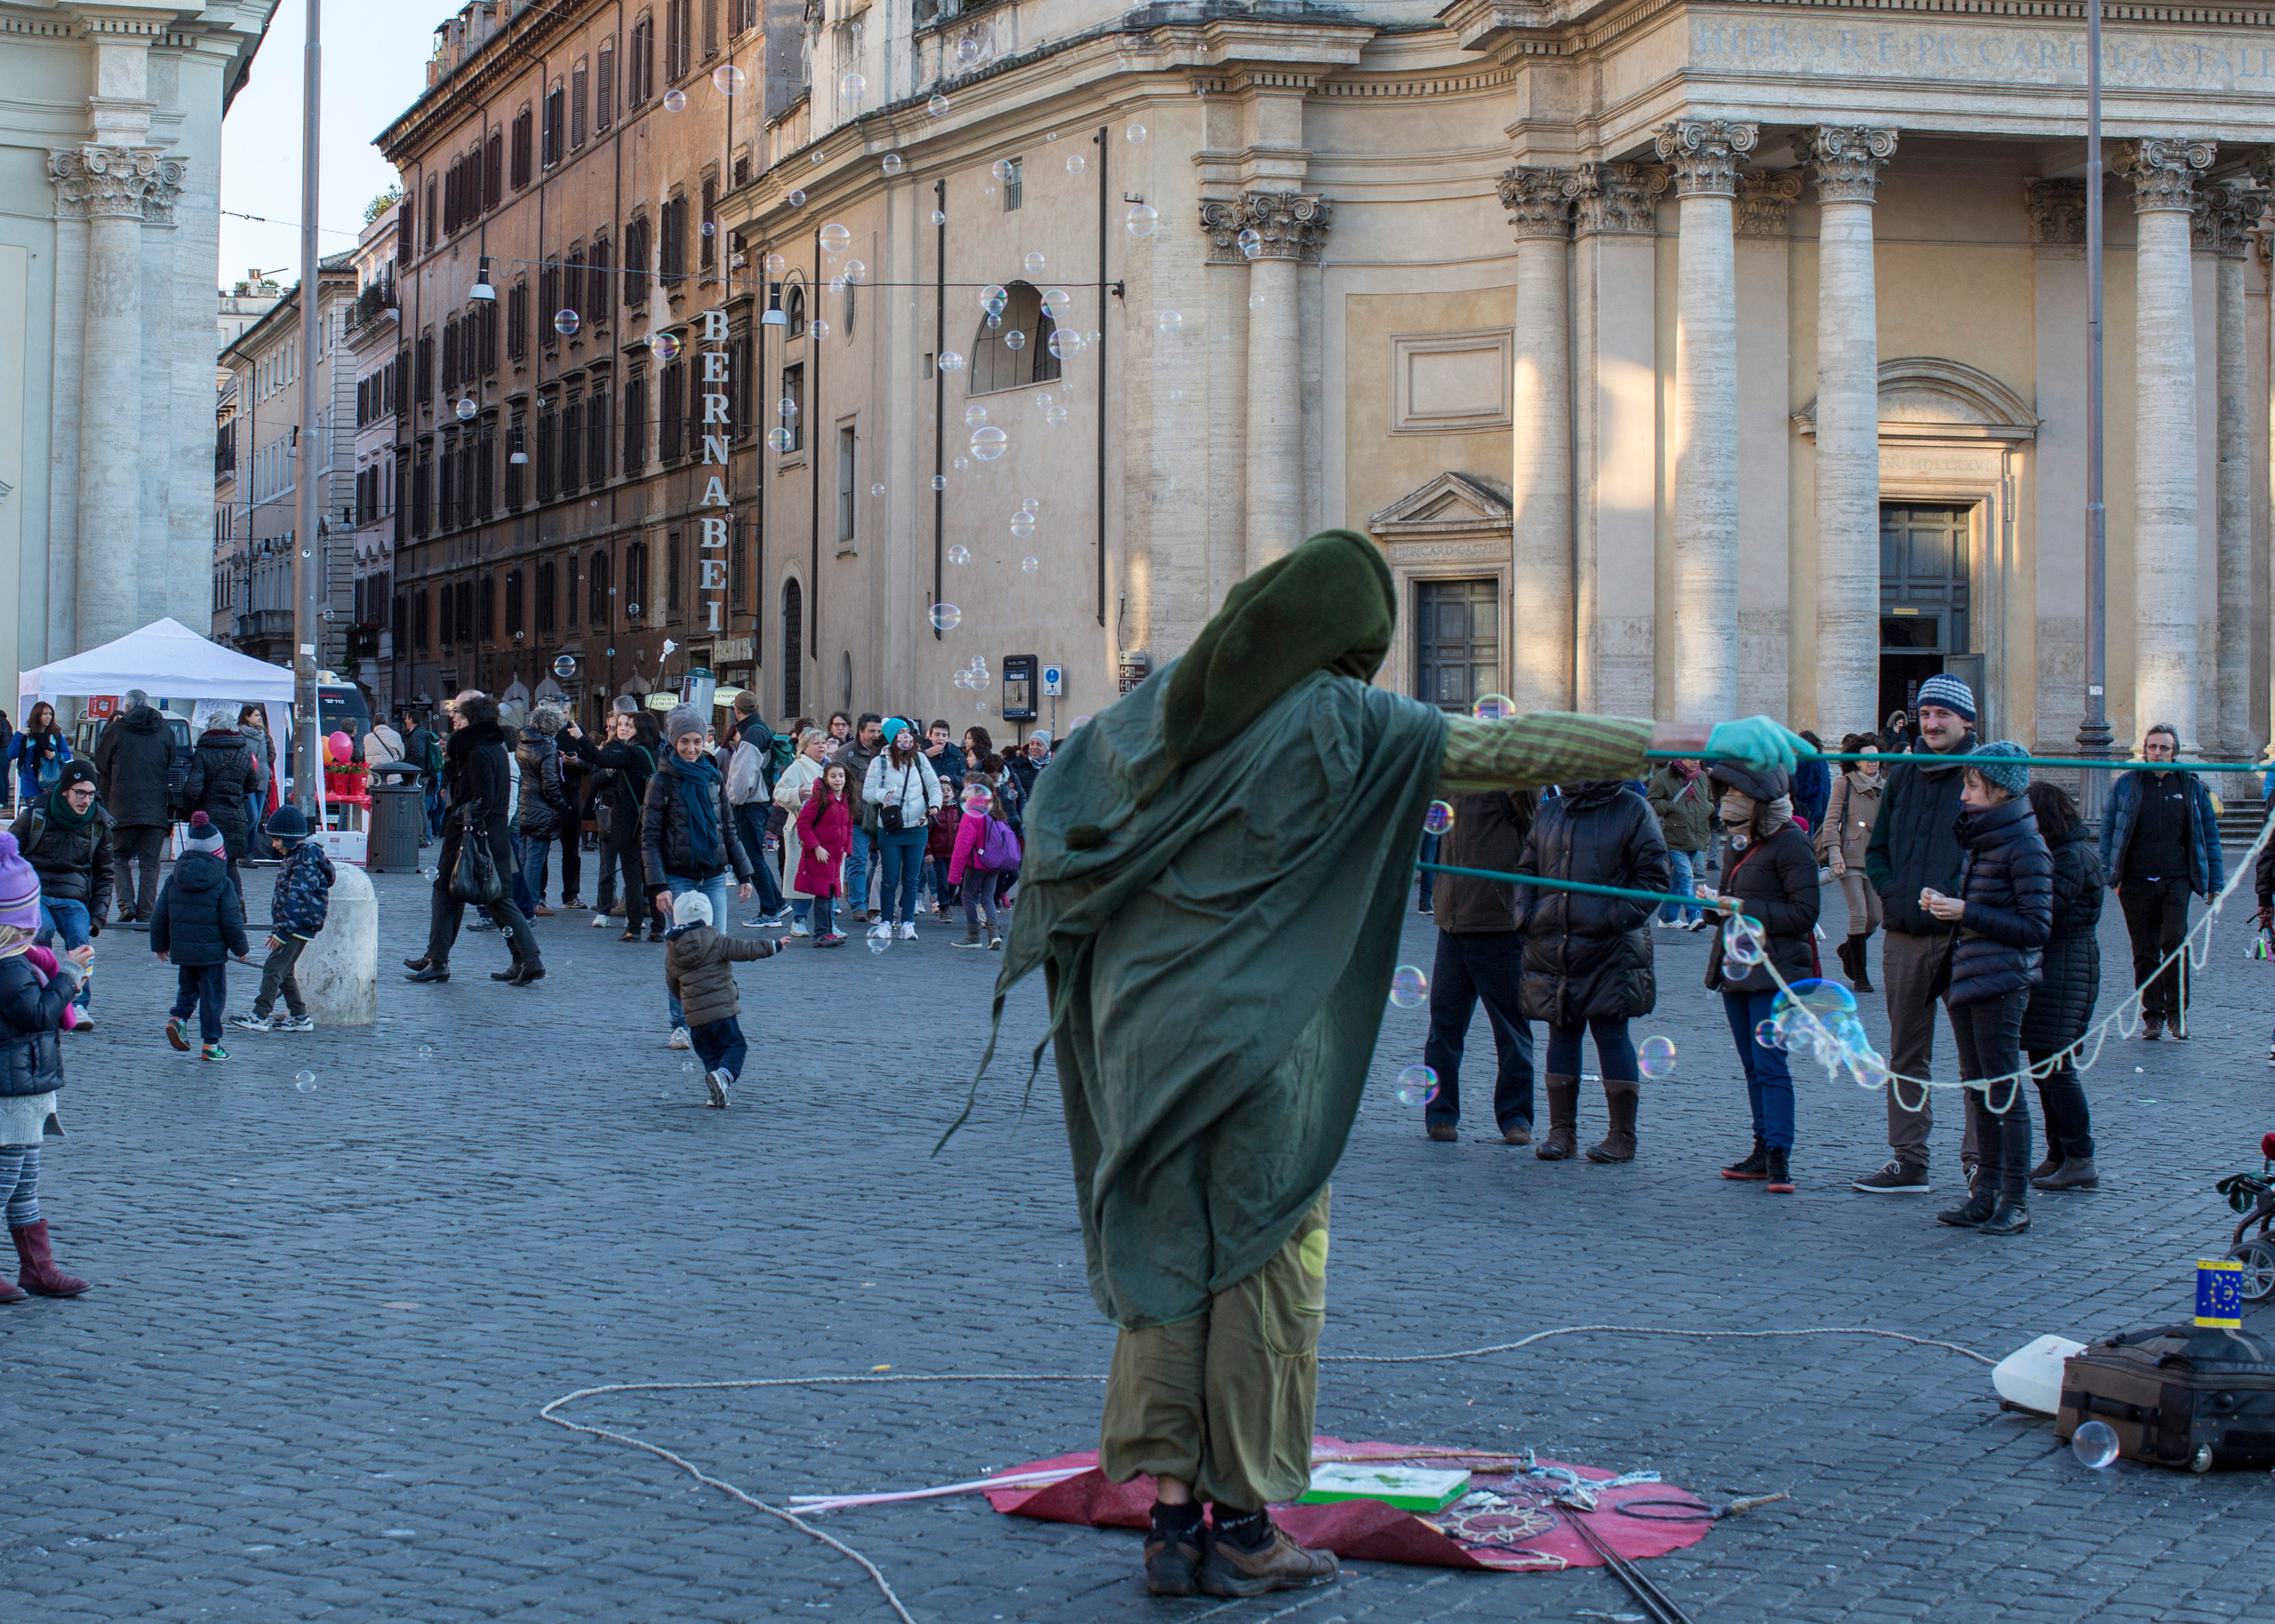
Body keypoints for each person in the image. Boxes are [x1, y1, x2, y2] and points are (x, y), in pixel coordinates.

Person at [969, 529, 1807, 1599]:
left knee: (1167, 1260)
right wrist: (1690, 735)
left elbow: (1053, 815)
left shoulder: (1163, 703)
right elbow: (1509, 750)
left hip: (1141, 1032)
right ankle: (1242, 1523)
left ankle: (1169, 1525)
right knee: (1264, 1268)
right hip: (1256, 1044)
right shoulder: (1339, 714)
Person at [1852, 673, 1977, 1195]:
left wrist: (1957, 895)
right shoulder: (1902, 772)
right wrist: (1893, 890)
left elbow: (1991, 850)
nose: (1931, 723)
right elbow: (1877, 847)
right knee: (1905, 1053)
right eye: (1925, 714)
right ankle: (1910, 1159)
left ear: (1966, 721)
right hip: (1905, 933)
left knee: (1978, 1057)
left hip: (1965, 936)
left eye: (1942, 714)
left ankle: (1980, 1161)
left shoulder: (1981, 772)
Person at [1922, 743, 2051, 1235]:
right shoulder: (1987, 837)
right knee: (1979, 1092)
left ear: (1998, 791)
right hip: (1968, 975)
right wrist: (1950, 903)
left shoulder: (2025, 844)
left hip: (2000, 982)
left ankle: (2014, 1201)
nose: (1963, 794)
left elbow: (2036, 927)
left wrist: (1965, 912)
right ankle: (1985, 1195)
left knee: (2002, 1093)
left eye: (1972, 786)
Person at [1514, 778, 1669, 1163]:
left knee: (1611, 1032)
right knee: (1561, 1029)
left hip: (1610, 947)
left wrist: (1611, 919)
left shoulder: (1632, 808)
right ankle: (1560, 1132)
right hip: (1555, 943)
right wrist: (1527, 917)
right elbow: (1527, 868)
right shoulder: (1552, 809)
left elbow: (1653, 877)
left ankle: (1622, 1136)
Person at [1703, 763, 1818, 1194]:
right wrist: (1713, 906)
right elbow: (1729, 901)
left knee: (1771, 1066)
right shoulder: (1739, 840)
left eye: (1735, 792)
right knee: (1752, 1066)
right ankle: (1759, 1146)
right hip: (1737, 968)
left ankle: (1778, 1156)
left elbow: (1805, 914)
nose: (1726, 800)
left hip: (1774, 972)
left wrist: (1743, 906)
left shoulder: (1792, 843)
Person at [0, 831, 94, 1302]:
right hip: (10, 1094)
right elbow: (37, 1013)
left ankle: (39, 1268)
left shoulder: (22, 960)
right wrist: (71, 976)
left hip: (27, 1088)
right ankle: (37, 1269)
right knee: (6, 1183)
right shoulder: (9, 970)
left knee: (24, 1188)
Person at [1420, 788, 1539, 1145]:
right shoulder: (1451, 776)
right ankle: (1440, 1114)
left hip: (1498, 923)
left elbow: (1532, 809)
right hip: (1451, 922)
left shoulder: (1512, 776)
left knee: (1511, 1029)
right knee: (1444, 1027)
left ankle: (1516, 1117)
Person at [403, 692, 545, 986]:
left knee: (450, 894)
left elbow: (484, 798)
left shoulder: (480, 751)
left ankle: (441, 960)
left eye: (462, 717)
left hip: (472, 837)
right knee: (491, 899)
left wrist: (462, 815)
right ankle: (524, 960)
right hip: (487, 836)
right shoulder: (488, 746)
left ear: (473, 721)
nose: (456, 721)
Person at [2098, 722, 2223, 1039]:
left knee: (2175, 942)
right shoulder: (2127, 784)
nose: (2157, 753)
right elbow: (2109, 829)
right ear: (2145, 750)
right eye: (2152, 747)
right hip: (2136, 881)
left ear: (2174, 752)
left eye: (2164, 748)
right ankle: (2151, 1016)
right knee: (2144, 951)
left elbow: (2209, 836)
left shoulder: (2192, 786)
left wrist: (2215, 883)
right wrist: (2109, 874)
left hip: (2177, 879)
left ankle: (2177, 1014)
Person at [643, 705, 754, 1046]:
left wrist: (745, 872)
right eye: (684, 742)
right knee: (684, 953)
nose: (691, 749)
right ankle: (679, 1023)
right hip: (678, 876)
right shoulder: (661, 780)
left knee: (715, 952)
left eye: (697, 741)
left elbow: (728, 830)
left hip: (714, 875)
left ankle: (713, 1023)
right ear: (673, 742)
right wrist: (659, 886)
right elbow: (649, 837)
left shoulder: (713, 775)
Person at [2020, 782, 2101, 1192]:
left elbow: (2046, 910)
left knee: (2057, 1067)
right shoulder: (2065, 852)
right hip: (2057, 964)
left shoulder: (2071, 857)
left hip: (2067, 965)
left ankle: (2080, 1157)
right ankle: (2058, 1154)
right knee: (2044, 1067)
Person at [10, 761, 113, 1026]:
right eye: (80, 792)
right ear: (65, 790)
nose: (86, 800)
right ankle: (40, 995)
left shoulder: (98, 823)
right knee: (41, 932)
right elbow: (9, 856)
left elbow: (105, 873)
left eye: (90, 793)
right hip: (37, 892)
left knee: (81, 941)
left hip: (73, 896)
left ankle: (77, 1004)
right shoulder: (37, 815)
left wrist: (97, 916)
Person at [663, 889, 779, 1108]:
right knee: (736, 1047)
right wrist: (774, 946)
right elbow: (746, 950)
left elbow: (672, 985)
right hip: (722, 1012)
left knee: (710, 1056)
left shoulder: (673, 951)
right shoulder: (716, 940)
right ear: (708, 918)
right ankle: (724, 1077)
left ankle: (715, 1091)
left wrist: (688, 1003)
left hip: (695, 1020)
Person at [228, 805, 334, 1034]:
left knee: (273, 968)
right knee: (284, 972)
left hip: (296, 926)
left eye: (277, 839)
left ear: (290, 839)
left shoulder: (305, 860)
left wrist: (283, 931)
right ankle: (299, 1016)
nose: (273, 845)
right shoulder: (300, 856)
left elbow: (298, 899)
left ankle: (259, 1015)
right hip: (296, 925)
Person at [153, 812, 250, 1062]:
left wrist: (160, 945)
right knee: (212, 997)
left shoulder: (174, 879)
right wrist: (240, 948)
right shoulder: (223, 882)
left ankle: (178, 1018)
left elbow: (159, 914)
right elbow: (232, 921)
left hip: (184, 950)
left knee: (187, 989)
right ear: (219, 851)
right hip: (213, 953)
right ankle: (211, 1044)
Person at [92, 690, 174, 927]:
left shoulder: (116, 730)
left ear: (126, 706)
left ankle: (127, 904)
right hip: (155, 806)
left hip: (122, 804)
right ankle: (146, 913)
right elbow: (171, 761)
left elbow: (100, 761)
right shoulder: (165, 729)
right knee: (150, 863)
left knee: (119, 857)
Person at [1816, 736, 1885, 991]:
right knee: (1859, 914)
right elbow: (1831, 822)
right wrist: (1834, 854)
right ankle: (1860, 975)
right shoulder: (1844, 784)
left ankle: (1847, 950)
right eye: (1867, 757)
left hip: (1875, 860)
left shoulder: (1885, 788)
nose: (1873, 763)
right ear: (1856, 760)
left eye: (1877, 757)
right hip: (1849, 856)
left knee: (1875, 917)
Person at [865, 719, 944, 940]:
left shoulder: (919, 759)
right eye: (900, 732)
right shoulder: (880, 762)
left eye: (907, 731)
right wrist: (882, 796)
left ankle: (908, 922)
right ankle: (887, 921)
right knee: (890, 878)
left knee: (911, 878)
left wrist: (935, 804)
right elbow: (867, 792)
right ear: (892, 738)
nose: (905, 736)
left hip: (918, 825)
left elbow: (933, 785)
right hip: (891, 827)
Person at [182, 710, 267, 896]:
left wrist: (187, 809)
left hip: (207, 816)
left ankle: (209, 906)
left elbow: (193, 788)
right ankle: (238, 905)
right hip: (235, 815)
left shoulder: (203, 752)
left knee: (206, 862)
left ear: (211, 727)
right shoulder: (244, 751)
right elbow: (251, 784)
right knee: (230, 865)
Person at [726, 696, 787, 925]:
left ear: (736, 710)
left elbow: (743, 775)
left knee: (752, 859)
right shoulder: (762, 729)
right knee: (756, 857)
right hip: (760, 803)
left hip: (750, 805)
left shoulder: (751, 734)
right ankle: (778, 904)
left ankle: (770, 911)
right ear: (757, 708)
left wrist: (733, 799)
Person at [515, 705, 573, 918]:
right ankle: (532, 902)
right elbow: (550, 784)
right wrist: (561, 804)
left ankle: (521, 899)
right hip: (541, 808)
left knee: (523, 856)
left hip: (524, 803)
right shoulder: (546, 748)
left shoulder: (523, 743)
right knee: (535, 858)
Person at [773, 728, 828, 937]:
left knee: (827, 877)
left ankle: (828, 922)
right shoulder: (797, 767)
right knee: (804, 875)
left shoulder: (831, 767)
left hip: (829, 830)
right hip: (803, 830)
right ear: (804, 747)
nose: (821, 746)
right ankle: (799, 920)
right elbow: (779, 792)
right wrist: (796, 794)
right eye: (816, 743)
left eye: (823, 742)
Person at [1645, 758, 1712, 929]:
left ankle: (1667, 917)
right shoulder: (1662, 777)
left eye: (1698, 758)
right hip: (1673, 836)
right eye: (1692, 759)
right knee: (1687, 877)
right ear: (1680, 758)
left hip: (1695, 834)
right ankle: (1695, 916)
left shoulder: (1702, 777)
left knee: (1678, 879)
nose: (1697, 762)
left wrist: (1708, 808)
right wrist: (1672, 807)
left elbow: (1710, 799)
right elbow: (1650, 801)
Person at [795, 759, 855, 946]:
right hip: (820, 856)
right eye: (833, 776)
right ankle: (821, 933)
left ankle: (828, 931)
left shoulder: (846, 800)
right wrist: (816, 846)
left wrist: (847, 848)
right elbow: (803, 824)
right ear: (826, 779)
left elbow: (849, 827)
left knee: (830, 894)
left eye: (841, 776)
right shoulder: (819, 799)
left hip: (835, 856)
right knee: (822, 895)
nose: (838, 780)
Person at [839, 714, 884, 921]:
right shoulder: (845, 754)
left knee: (878, 862)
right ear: (861, 732)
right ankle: (858, 905)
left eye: (878, 731)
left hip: (880, 818)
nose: (876, 735)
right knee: (857, 860)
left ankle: (866, 897)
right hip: (856, 817)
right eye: (872, 731)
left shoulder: (886, 752)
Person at [236, 705, 276, 862]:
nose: (259, 718)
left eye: (260, 715)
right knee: (251, 816)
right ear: (247, 717)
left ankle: (248, 853)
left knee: (257, 817)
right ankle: (240, 848)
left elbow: (271, 755)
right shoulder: (240, 735)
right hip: (247, 781)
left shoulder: (264, 736)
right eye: (256, 715)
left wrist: (264, 767)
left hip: (262, 780)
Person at [9, 702, 69, 807]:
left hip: (52, 783)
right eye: (44, 714)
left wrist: (57, 756)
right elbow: (11, 754)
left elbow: (67, 754)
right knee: (36, 814)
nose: (48, 717)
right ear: (37, 715)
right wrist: (18, 736)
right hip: (31, 783)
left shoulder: (55, 735)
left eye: (50, 714)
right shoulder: (27, 735)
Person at [403, 706, 444, 841]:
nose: (405, 721)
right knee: (420, 804)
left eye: (407, 718)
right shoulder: (422, 732)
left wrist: (405, 764)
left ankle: (421, 837)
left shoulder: (417, 734)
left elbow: (418, 755)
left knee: (418, 805)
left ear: (411, 719)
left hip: (418, 775)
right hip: (424, 773)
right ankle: (423, 836)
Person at [1791, 730, 1832, 836]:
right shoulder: (1822, 759)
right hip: (1822, 804)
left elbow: (1805, 787)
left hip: (1808, 806)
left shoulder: (1805, 761)